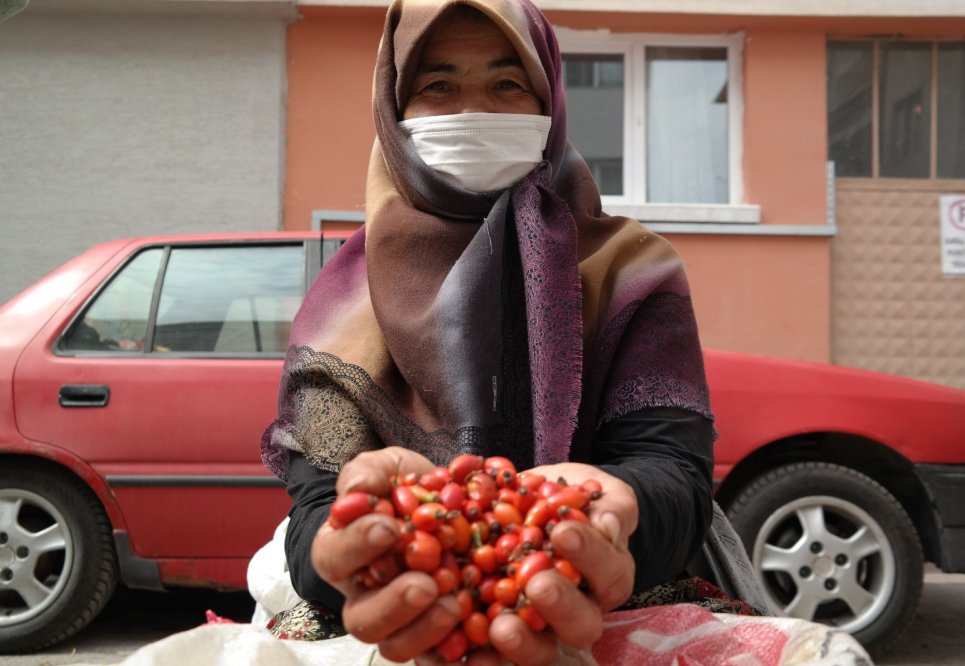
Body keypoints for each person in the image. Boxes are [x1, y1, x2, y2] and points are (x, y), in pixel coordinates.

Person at [260, 0, 723, 663]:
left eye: (507, 84)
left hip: (615, 595)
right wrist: (355, 555)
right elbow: (314, 514)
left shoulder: (631, 269)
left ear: (551, 104)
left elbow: (674, 477)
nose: (471, 109)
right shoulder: (346, 301)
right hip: (395, 615)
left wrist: (611, 518)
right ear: (394, 113)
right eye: (438, 84)